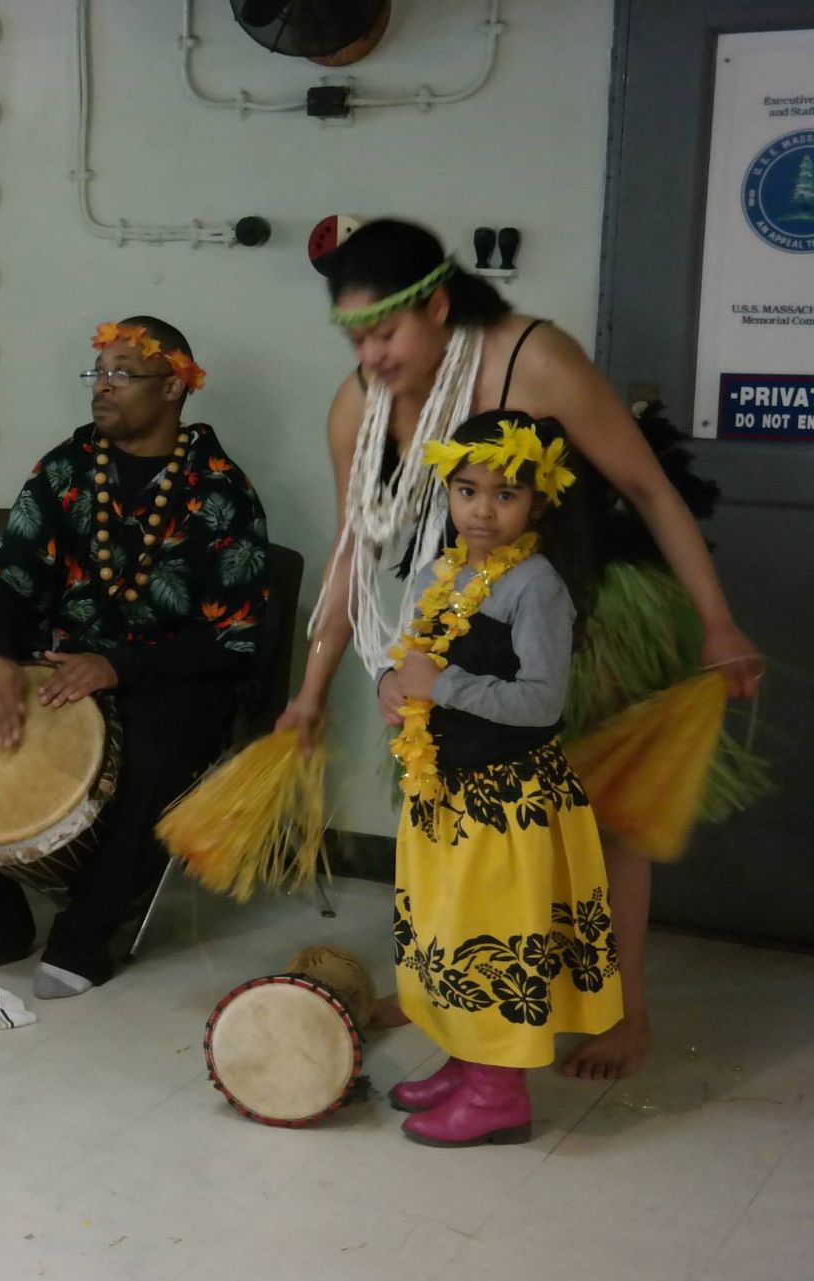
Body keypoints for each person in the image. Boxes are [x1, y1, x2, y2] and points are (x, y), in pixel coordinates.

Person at [276, 219, 766, 1079]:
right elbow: (352, 553)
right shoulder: (360, 404)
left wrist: (717, 620)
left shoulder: (533, 358)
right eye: (355, 336)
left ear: (436, 304)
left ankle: (626, 1014)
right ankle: (447, 991)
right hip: (460, 625)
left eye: (385, 331)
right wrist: (310, 693)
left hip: (580, 608)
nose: (372, 353)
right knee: (451, 820)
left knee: (604, 821)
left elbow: (648, 487)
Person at [0, 317, 269, 998]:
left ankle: (88, 934)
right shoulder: (65, 468)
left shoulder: (220, 491)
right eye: (98, 372)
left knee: (155, 749)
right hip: (53, 663)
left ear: (175, 388)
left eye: (123, 374)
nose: (103, 387)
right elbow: (8, 578)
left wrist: (119, 667)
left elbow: (234, 638)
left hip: (171, 679)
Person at [384, 411, 620, 1146]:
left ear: (537, 503)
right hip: (444, 792)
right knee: (446, 931)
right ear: (445, 493)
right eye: (466, 490)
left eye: (505, 494)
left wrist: (442, 682)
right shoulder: (436, 573)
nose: (482, 510)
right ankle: (466, 1055)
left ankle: (499, 1093)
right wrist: (393, 687)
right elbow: (410, 660)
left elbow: (540, 700)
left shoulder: (536, 586)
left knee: (493, 935)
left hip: (506, 801)